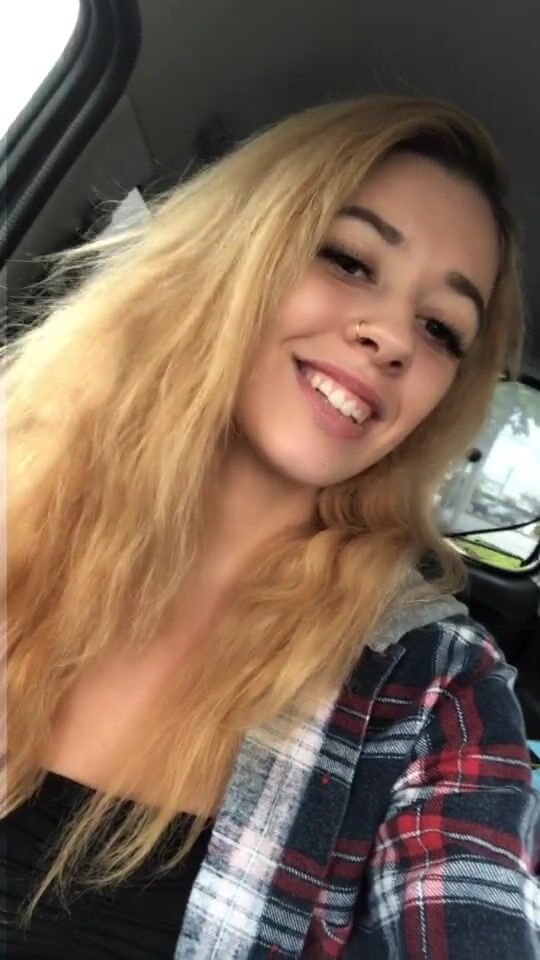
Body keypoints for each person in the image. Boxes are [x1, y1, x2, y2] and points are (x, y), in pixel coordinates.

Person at [1, 95, 539, 959]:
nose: (393, 337)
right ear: (233, 249)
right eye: (350, 259)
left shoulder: (437, 693)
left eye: (442, 328)